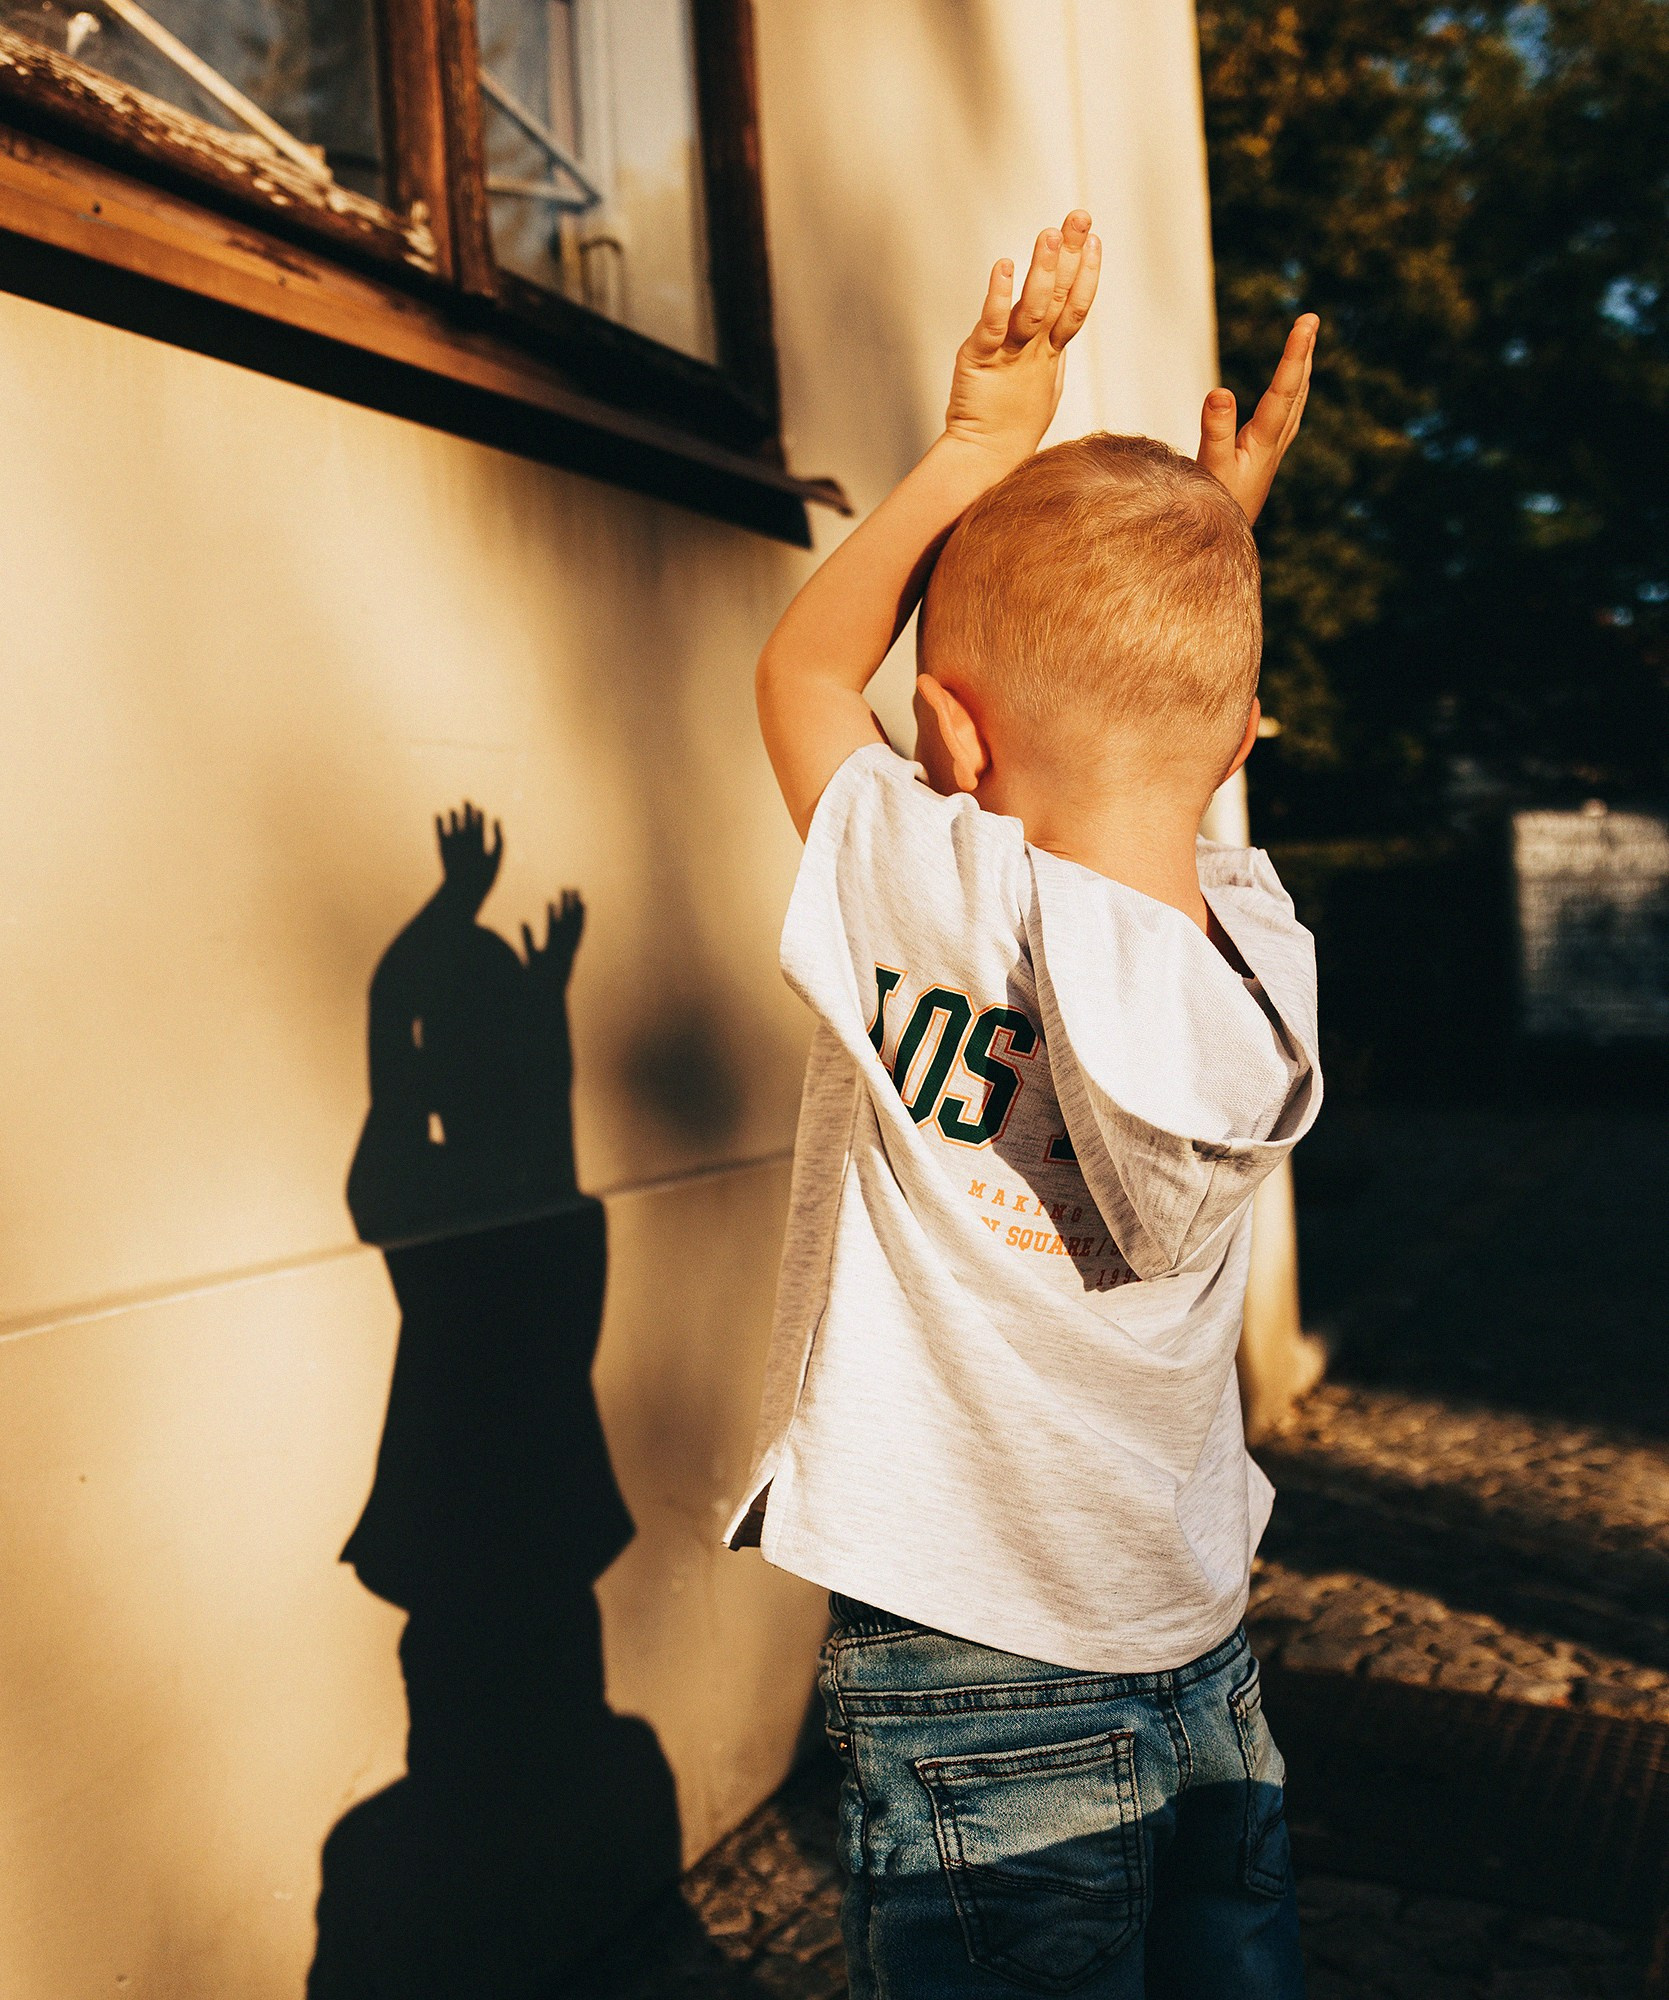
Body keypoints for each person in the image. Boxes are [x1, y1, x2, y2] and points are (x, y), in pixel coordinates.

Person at [723, 209, 1324, 1998]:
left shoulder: (924, 883)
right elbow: (1163, 767)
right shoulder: (1262, 960)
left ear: (952, 741)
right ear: (1235, 745)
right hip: (1194, 1634)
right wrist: (1210, 552)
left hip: (964, 1641)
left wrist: (980, 444)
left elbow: (796, 673)